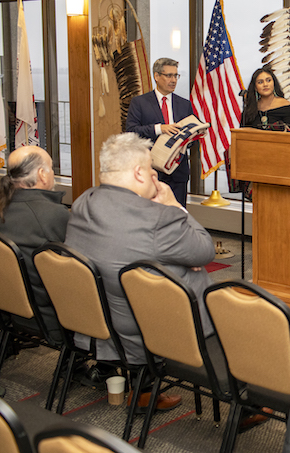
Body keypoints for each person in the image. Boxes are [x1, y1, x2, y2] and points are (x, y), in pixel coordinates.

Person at [64, 133, 216, 411]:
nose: (155, 176)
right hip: (152, 330)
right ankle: (246, 396)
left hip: (101, 324)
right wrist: (173, 205)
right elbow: (205, 250)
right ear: (138, 173)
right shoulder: (159, 218)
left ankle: (144, 390)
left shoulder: (83, 202)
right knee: (238, 308)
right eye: (150, 169)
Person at [0, 146, 68, 346]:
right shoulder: (53, 215)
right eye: (50, 168)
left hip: (10, 310)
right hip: (52, 319)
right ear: (42, 174)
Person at [125, 58, 194, 207]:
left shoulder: (184, 105)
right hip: (151, 170)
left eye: (176, 76)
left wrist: (192, 138)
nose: (173, 80)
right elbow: (131, 132)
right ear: (156, 76)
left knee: (177, 215)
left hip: (178, 171)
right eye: (169, 75)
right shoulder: (139, 102)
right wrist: (159, 129)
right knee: (151, 215)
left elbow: (191, 141)